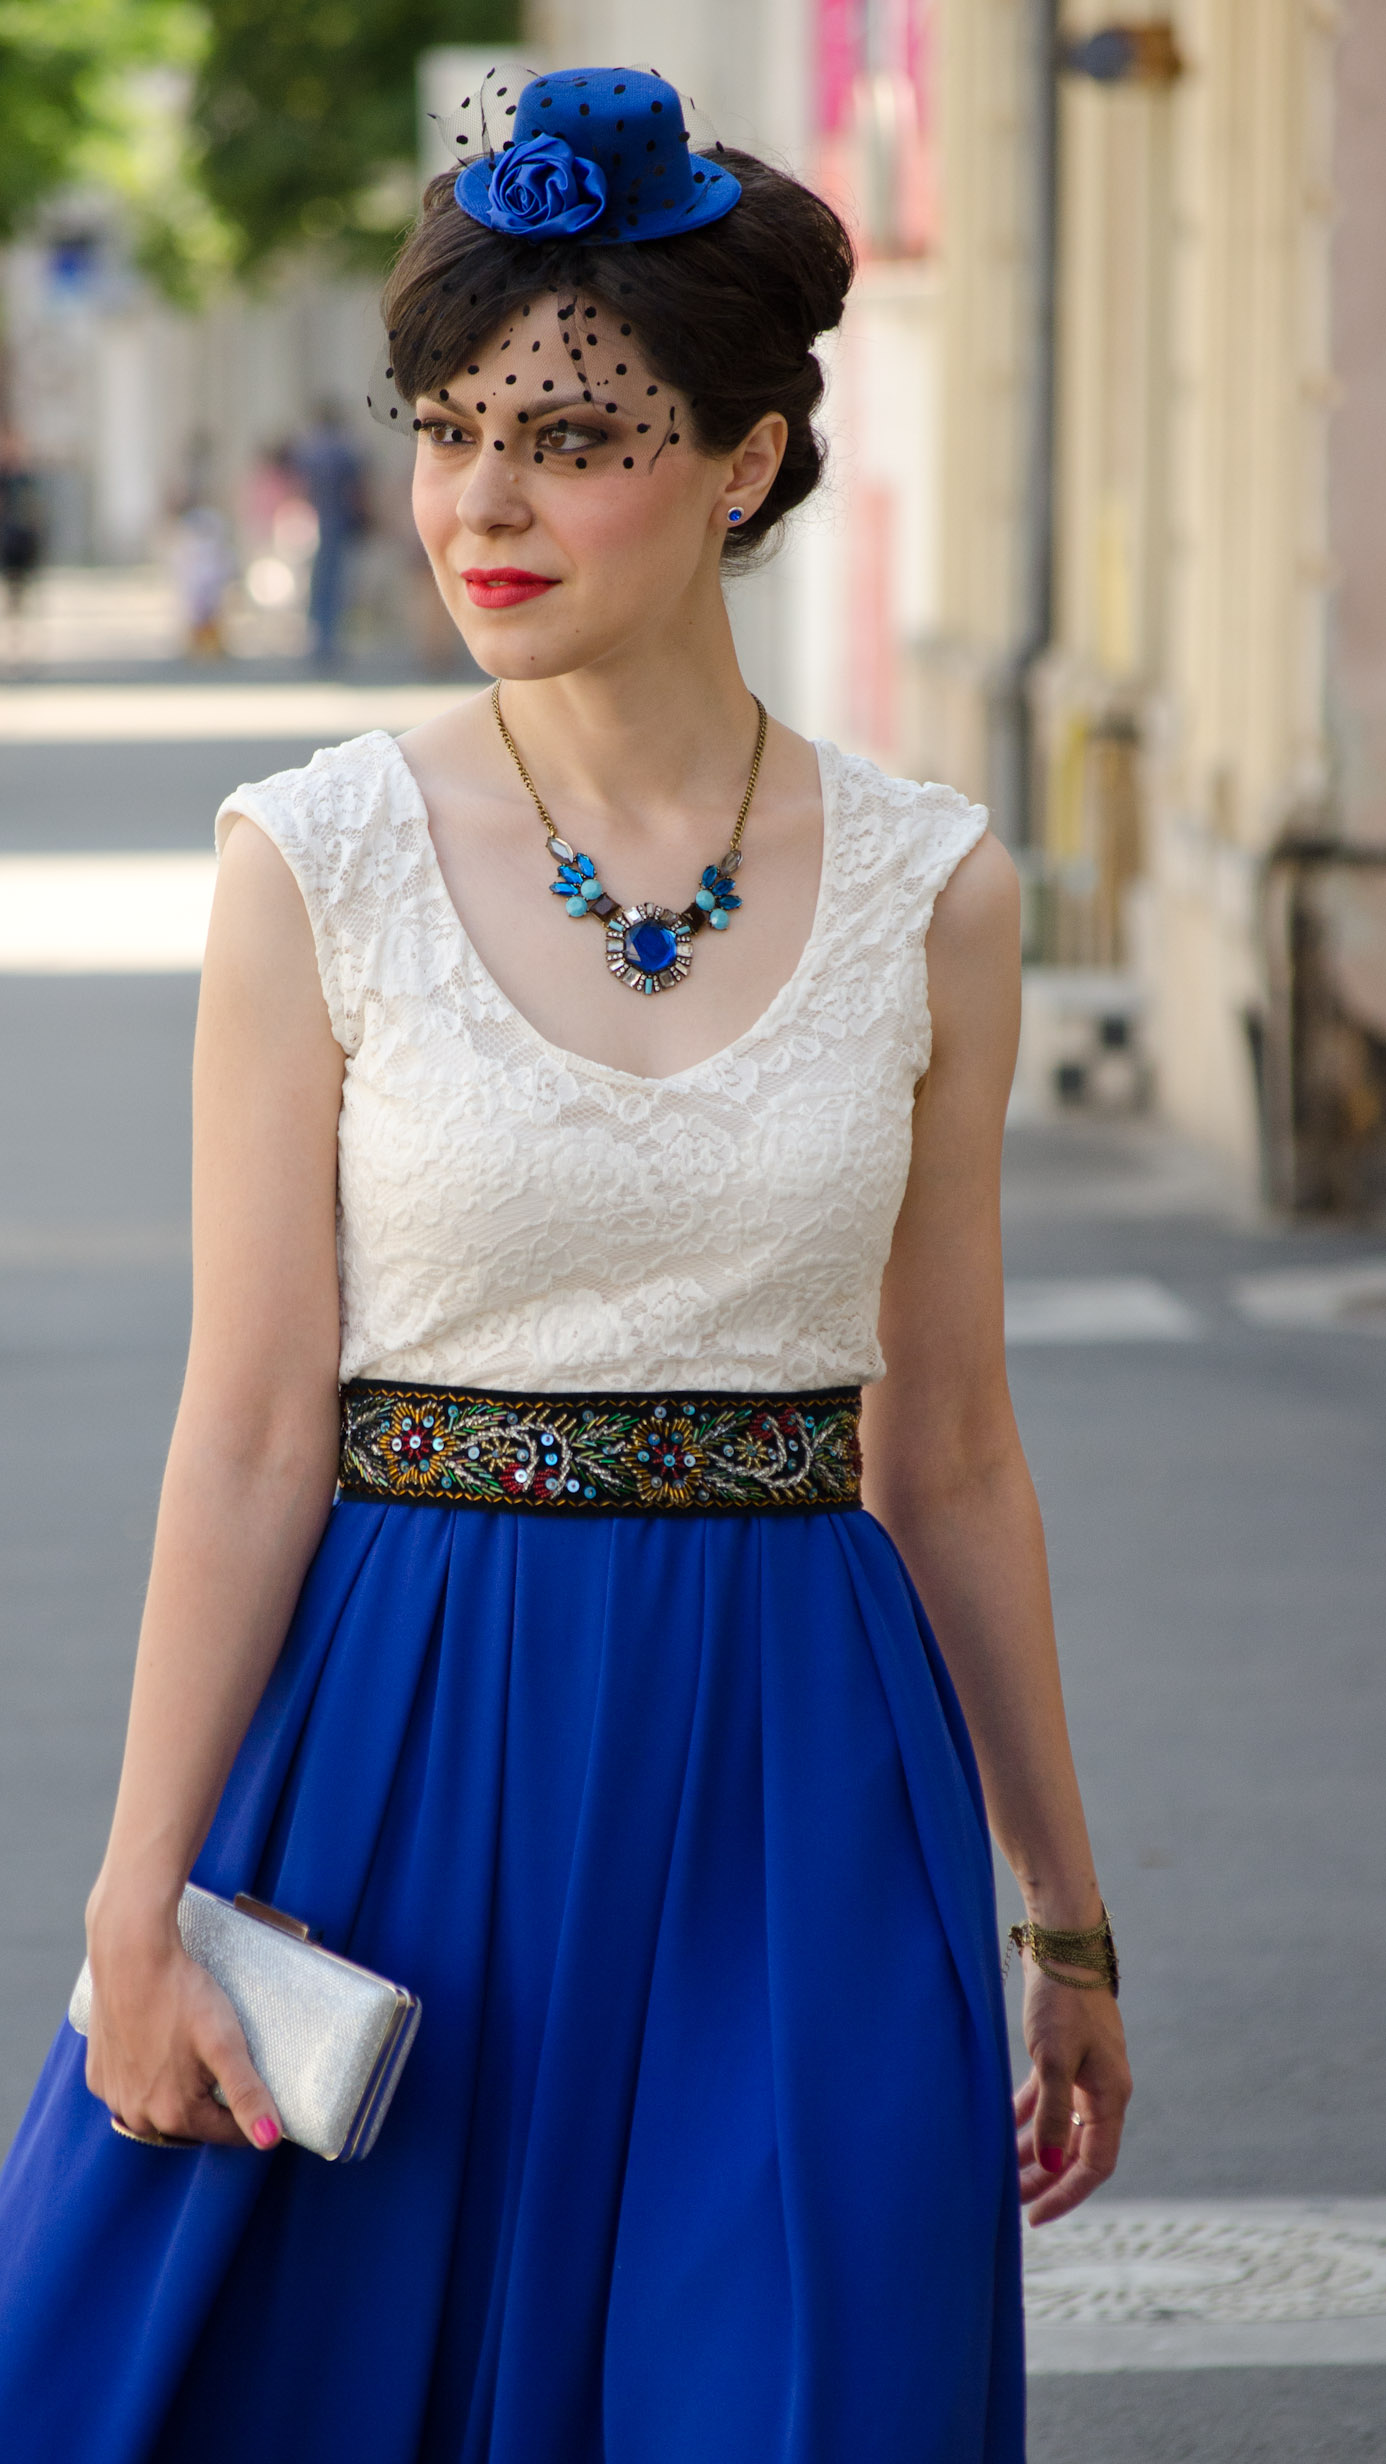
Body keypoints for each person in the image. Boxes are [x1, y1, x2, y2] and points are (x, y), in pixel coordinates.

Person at [0, 67, 1130, 2463]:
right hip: (401, 1739)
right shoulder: (313, 857)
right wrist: (132, 1899)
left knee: (807, 2396)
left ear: (743, 458)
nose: (479, 502)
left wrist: (1065, 1905)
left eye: (570, 434)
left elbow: (946, 1440)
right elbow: (244, 1425)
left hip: (806, 1764)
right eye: (444, 427)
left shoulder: (943, 884)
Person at [291, 399, 368, 661]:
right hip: (338, 522)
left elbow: (299, 486)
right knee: (334, 583)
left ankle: (318, 639)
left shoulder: (309, 450)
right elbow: (357, 488)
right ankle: (328, 639)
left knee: (317, 583)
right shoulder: (344, 450)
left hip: (312, 520)